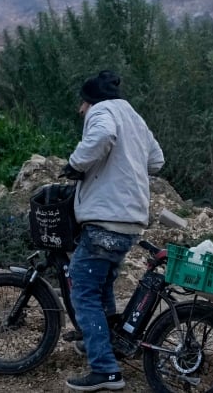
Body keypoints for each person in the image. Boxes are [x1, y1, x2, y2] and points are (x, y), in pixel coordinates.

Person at [60, 70, 164, 392]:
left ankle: (105, 370)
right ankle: (104, 345)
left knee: (83, 291)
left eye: (83, 103)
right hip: (130, 220)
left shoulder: (103, 112)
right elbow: (157, 161)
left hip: (106, 218)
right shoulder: (133, 115)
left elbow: (102, 137)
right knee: (101, 284)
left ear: (92, 100)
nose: (81, 109)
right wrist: (125, 165)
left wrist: (76, 164)